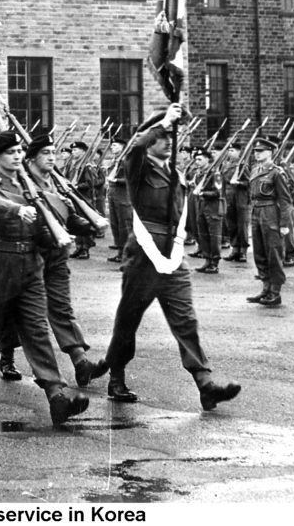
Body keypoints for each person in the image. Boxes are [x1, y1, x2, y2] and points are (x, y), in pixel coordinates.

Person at [103, 104, 241, 410]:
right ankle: (116, 376)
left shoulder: (176, 173)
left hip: (173, 253)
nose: (168, 141)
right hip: (144, 252)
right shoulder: (138, 167)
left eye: (169, 137)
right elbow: (133, 147)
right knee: (129, 318)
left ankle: (205, 384)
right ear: (151, 141)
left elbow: (179, 213)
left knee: (185, 319)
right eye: (161, 137)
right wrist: (164, 120)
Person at [0, 129, 90, 425]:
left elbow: (50, 215)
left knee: (37, 330)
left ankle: (56, 396)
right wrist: (16, 209)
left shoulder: (30, 185)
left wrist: (75, 228)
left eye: (20, 152)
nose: (18, 157)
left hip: (31, 265)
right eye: (11, 153)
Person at [0, 133, 110, 388]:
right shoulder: (21, 183)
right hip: (29, 257)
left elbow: (67, 219)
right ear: (32, 158)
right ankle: (5, 356)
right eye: (46, 153)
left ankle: (81, 363)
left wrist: (90, 227)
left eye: (53, 153)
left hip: (57, 257)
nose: (52, 158)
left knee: (61, 308)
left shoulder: (57, 184)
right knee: (15, 311)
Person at [243, 135, 294, 307]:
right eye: (256, 151)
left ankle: (275, 292)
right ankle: (265, 288)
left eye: (261, 151)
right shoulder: (255, 170)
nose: (257, 154)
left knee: (273, 253)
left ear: (270, 152)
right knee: (259, 252)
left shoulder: (276, 172)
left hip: (271, 212)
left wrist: (284, 224)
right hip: (256, 212)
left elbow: (286, 200)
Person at [191, 149, 225, 274]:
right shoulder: (200, 174)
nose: (197, 162)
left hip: (213, 209)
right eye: (196, 159)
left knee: (214, 237)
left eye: (200, 159)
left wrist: (203, 193)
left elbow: (218, 193)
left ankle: (214, 262)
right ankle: (207, 259)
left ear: (207, 159)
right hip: (201, 207)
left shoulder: (215, 174)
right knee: (203, 234)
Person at [64, 141, 99, 259]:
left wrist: (77, 186)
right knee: (77, 223)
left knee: (85, 223)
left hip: (84, 197)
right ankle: (79, 247)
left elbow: (90, 183)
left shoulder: (86, 165)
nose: (73, 152)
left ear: (83, 151)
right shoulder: (73, 164)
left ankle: (86, 249)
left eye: (76, 150)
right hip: (75, 196)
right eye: (72, 150)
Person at [104, 137, 132, 264]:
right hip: (113, 193)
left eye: (115, 145)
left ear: (122, 147)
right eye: (112, 145)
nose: (112, 148)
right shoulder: (116, 160)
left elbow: (133, 179)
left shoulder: (127, 160)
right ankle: (120, 251)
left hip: (123, 195)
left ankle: (127, 253)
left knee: (124, 225)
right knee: (115, 223)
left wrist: (117, 181)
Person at [222, 146, 250, 263]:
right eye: (229, 150)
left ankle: (243, 251)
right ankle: (235, 249)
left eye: (232, 150)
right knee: (231, 224)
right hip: (229, 198)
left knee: (242, 224)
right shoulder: (226, 165)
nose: (230, 152)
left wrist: (239, 183)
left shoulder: (243, 165)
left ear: (239, 152)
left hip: (240, 197)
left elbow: (249, 182)